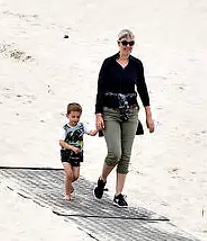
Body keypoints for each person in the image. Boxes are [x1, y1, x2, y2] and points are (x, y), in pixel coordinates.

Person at [93, 29, 154, 207]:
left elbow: (142, 89)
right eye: (125, 43)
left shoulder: (136, 64)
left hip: (131, 112)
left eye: (131, 43)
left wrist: (149, 115)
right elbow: (100, 89)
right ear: (118, 44)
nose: (128, 46)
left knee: (126, 155)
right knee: (115, 153)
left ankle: (119, 194)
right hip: (110, 111)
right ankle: (102, 179)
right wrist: (98, 114)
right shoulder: (108, 63)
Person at [58, 103, 98, 200]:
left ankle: (68, 184)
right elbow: (61, 142)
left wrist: (98, 129)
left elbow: (91, 133)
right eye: (73, 117)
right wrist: (71, 148)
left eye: (78, 117)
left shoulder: (81, 126)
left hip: (77, 154)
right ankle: (67, 194)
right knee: (69, 174)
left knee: (75, 176)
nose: (75, 119)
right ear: (67, 116)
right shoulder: (64, 128)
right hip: (66, 153)